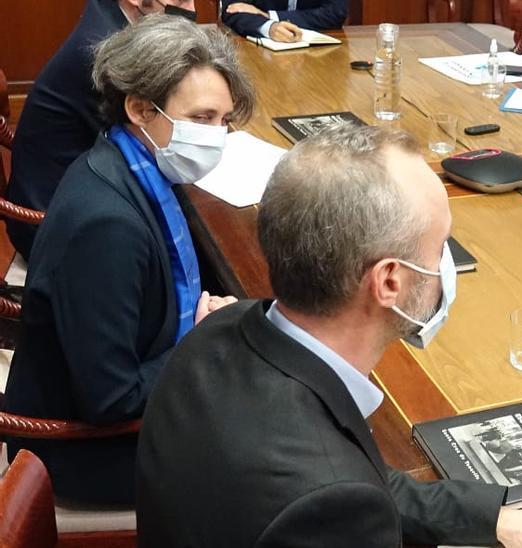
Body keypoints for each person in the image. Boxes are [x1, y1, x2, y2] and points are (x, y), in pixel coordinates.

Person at [136, 124, 522, 547]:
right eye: (440, 246)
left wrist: (492, 519)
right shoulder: (330, 504)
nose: (443, 267)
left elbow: (359, 479)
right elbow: (336, 491)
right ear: (389, 281)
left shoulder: (218, 329)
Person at [0, 15, 248, 504]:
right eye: (201, 119)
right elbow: (112, 400)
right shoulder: (107, 228)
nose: (216, 137)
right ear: (139, 108)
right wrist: (201, 342)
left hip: (109, 403)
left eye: (225, 122)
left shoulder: (124, 162)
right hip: (81, 453)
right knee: (278, 459)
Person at [5, 0, 197, 260]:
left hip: (72, 190)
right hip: (49, 224)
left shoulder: (111, 19)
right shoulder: (104, 49)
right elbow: (142, 144)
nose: (190, 8)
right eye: (181, 0)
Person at [221, 0, 348, 43]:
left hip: (321, 53)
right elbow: (233, 9)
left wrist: (270, 16)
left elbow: (335, 12)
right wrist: (269, 27)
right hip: (258, 53)